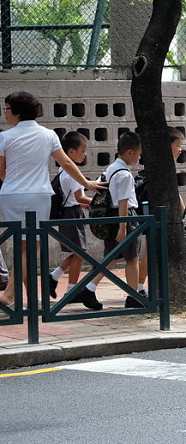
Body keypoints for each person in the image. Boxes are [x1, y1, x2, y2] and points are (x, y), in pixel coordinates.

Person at [0, 91, 103, 306]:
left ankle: (29, 298)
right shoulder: (49, 135)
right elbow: (66, 163)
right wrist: (87, 184)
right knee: (32, 248)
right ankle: (11, 295)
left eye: (7, 109)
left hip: (10, 195)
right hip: (38, 195)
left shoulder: (5, 137)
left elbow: (1, 173)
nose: (5, 113)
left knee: (22, 247)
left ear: (17, 113)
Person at [47, 131, 101, 309]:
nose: (85, 154)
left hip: (70, 212)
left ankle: (55, 277)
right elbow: (80, 197)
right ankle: (70, 290)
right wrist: (99, 203)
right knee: (80, 252)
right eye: (83, 150)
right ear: (71, 152)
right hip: (72, 214)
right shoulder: (72, 173)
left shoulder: (63, 170)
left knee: (79, 251)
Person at [137, 129, 184, 296]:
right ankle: (138, 288)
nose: (180, 150)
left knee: (153, 252)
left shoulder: (163, 165)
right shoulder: (161, 166)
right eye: (177, 145)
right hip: (155, 215)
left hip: (160, 215)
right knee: (151, 252)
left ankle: (143, 287)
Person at [101, 130, 145, 309]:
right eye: (139, 154)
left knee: (112, 256)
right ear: (130, 153)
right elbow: (123, 202)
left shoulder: (111, 169)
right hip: (126, 217)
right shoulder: (125, 174)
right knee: (132, 258)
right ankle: (133, 295)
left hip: (111, 216)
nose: (139, 158)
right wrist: (123, 226)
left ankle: (88, 286)